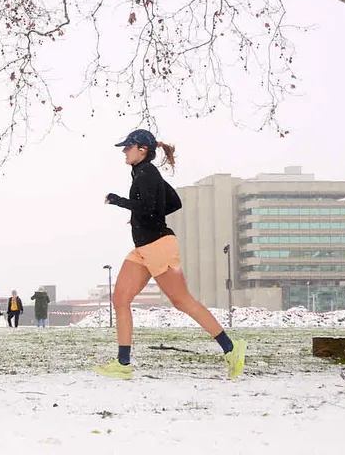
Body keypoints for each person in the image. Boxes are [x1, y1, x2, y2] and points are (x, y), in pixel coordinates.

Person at [95, 128, 246, 380]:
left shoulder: (146, 174)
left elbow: (149, 209)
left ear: (141, 149)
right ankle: (123, 364)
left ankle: (231, 349)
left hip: (158, 247)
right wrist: (144, 218)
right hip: (143, 248)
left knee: (182, 301)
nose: (124, 151)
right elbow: (174, 202)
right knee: (120, 299)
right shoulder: (144, 174)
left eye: (127, 147)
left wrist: (118, 200)